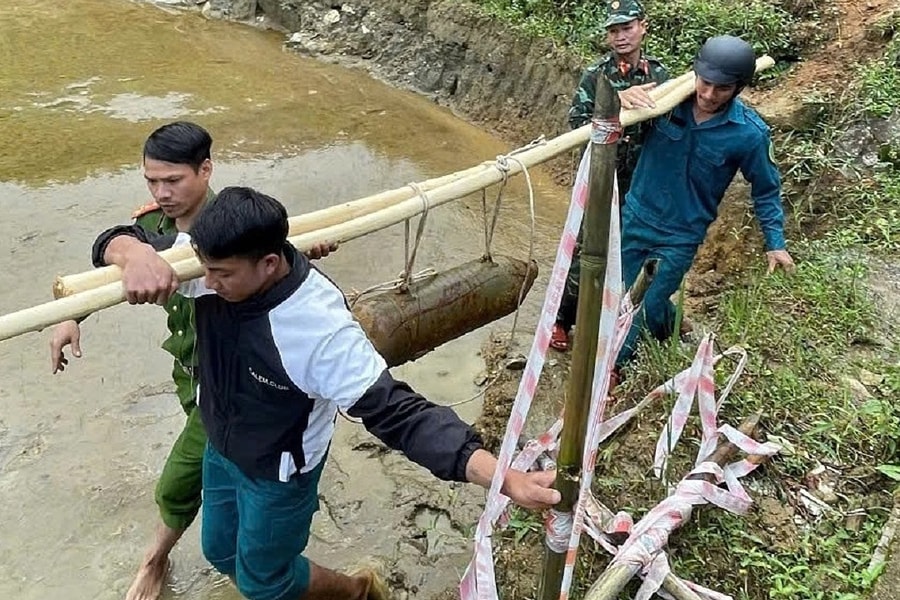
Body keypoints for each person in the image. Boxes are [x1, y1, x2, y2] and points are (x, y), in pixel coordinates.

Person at [89, 186, 561, 600]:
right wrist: (132, 255)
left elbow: (400, 414)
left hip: (280, 472)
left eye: (221, 275)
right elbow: (113, 239)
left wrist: (502, 477)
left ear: (270, 263)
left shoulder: (318, 330)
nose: (206, 285)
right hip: (222, 445)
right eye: (204, 270)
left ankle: (358, 591)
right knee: (218, 550)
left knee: (262, 582)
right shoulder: (211, 259)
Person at [48, 122, 334, 600]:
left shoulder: (239, 227)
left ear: (206, 170)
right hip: (191, 376)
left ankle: (153, 560)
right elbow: (111, 245)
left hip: (236, 386)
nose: (161, 193)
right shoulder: (159, 227)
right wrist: (76, 310)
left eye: (173, 181)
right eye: (151, 182)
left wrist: (302, 254)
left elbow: (291, 289)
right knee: (223, 493)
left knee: (180, 479)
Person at [615, 35, 795, 369]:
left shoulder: (749, 134)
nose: (709, 95)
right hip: (635, 219)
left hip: (679, 236)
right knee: (622, 298)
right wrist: (620, 99)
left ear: (739, 87)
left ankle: (613, 372)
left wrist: (776, 243)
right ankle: (673, 322)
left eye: (722, 88)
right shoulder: (663, 103)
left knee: (642, 307)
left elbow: (766, 190)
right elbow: (602, 121)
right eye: (705, 83)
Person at [552, 0, 670, 352]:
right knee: (588, 246)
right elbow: (577, 123)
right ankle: (562, 319)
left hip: (643, 178)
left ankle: (622, 316)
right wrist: (617, 100)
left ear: (643, 27)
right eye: (614, 31)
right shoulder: (598, 75)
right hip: (603, 174)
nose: (620, 37)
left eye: (627, 28)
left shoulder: (659, 75)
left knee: (634, 246)